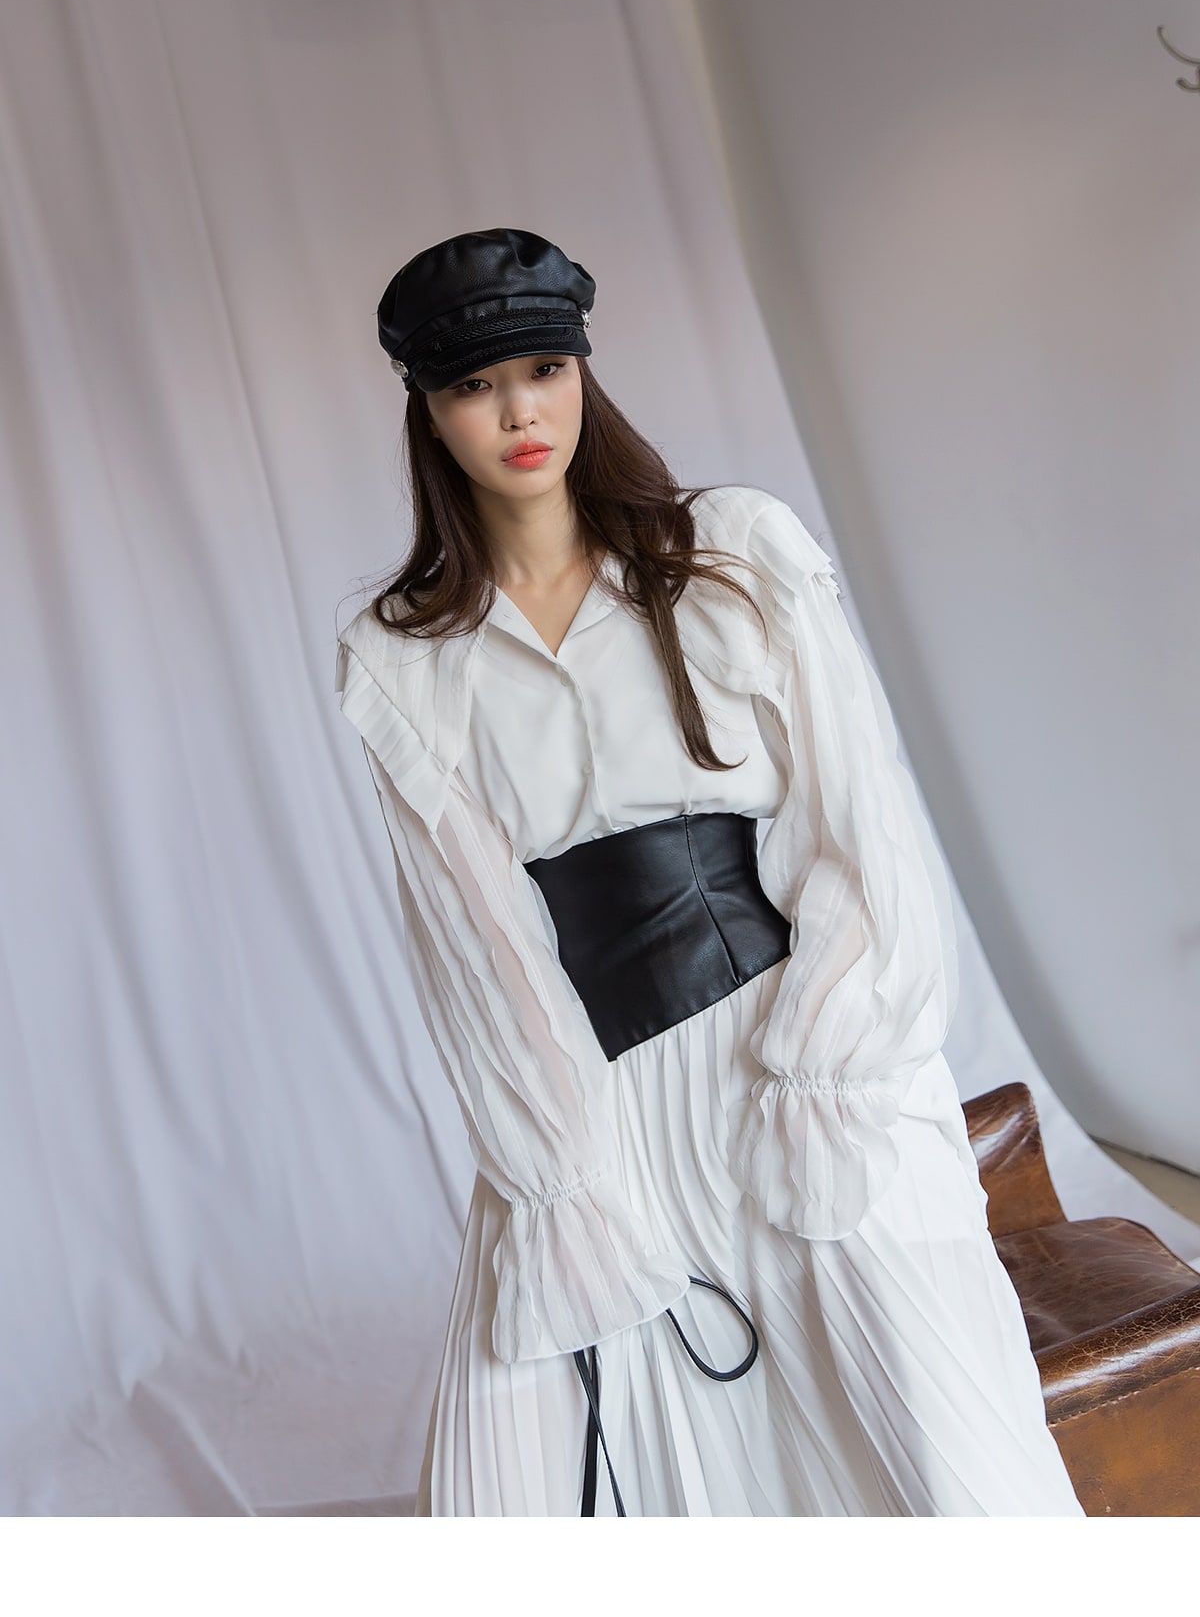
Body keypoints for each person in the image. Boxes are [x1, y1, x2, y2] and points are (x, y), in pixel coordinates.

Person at [334, 226, 1085, 1517]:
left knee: (942, 1461)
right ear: (427, 409)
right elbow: (480, 951)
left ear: (582, 369)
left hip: (805, 1056)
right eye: (473, 386)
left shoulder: (730, 551)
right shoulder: (403, 656)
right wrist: (566, 1176)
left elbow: (860, 828)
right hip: (596, 1113)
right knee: (518, 1489)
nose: (519, 414)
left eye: (542, 370)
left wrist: (822, 1072)